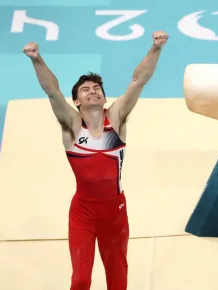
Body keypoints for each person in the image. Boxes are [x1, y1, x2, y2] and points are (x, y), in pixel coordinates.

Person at [23, 30, 169, 290]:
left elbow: (138, 80)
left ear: (104, 96)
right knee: (80, 280)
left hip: (115, 213)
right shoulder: (72, 126)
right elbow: (52, 91)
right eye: (85, 90)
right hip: (84, 213)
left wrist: (156, 48)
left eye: (97, 88)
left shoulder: (115, 119)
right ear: (76, 100)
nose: (92, 92)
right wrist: (37, 59)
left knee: (117, 279)